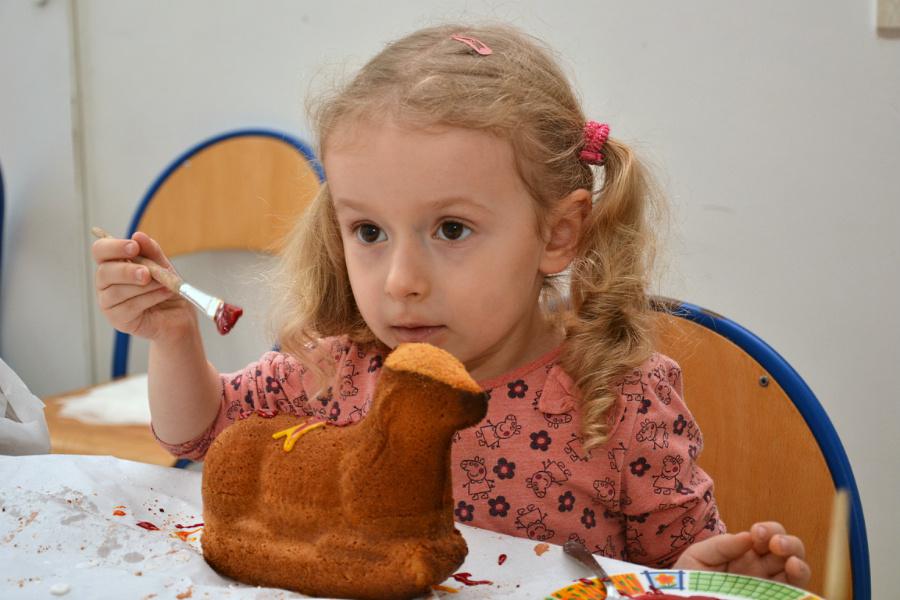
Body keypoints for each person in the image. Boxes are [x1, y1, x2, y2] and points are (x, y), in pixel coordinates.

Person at [92, 24, 809, 585]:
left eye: (452, 230)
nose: (401, 280)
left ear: (557, 234)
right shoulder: (342, 367)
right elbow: (200, 433)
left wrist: (709, 576)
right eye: (369, 232)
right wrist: (173, 337)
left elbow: (672, 571)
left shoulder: (619, 397)